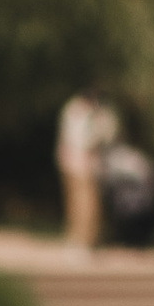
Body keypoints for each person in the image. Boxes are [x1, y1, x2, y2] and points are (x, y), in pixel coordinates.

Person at [56, 90, 120, 253]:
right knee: (79, 204)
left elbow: (109, 136)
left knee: (89, 205)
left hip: (91, 165)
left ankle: (88, 241)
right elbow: (75, 138)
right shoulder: (75, 109)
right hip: (75, 163)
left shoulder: (101, 112)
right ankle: (78, 240)